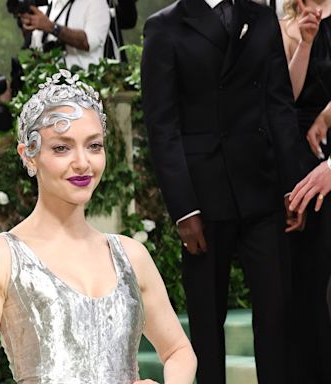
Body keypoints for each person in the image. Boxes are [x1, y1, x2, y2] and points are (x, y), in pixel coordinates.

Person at [0, 69, 197, 383]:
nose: (82, 163)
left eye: (93, 146)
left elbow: (178, 351)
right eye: (62, 148)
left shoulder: (131, 256)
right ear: (29, 156)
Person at [141, 0, 304, 382]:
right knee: (206, 321)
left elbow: (279, 106)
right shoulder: (164, 28)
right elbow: (162, 128)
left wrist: (293, 186)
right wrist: (183, 209)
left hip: (262, 191)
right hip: (202, 199)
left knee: (276, 313)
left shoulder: (261, 16)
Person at [279, 0, 331, 381]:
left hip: (325, 145)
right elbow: (284, 97)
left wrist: (327, 115)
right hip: (296, 155)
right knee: (305, 281)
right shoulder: (283, 22)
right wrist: (305, 42)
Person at [19, 0, 111, 70]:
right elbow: (36, 51)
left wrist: (52, 28)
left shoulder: (96, 3)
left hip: (83, 88)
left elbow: (87, 42)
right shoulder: (45, 7)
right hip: (47, 89)